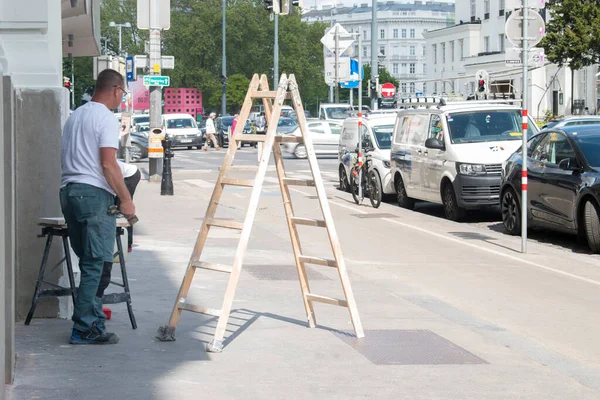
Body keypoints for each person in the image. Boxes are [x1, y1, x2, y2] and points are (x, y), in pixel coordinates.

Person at [60, 68, 135, 345]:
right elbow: (107, 163)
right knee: (96, 264)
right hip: (92, 196)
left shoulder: (76, 115)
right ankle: (85, 327)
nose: (122, 99)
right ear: (116, 89)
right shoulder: (105, 117)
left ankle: (91, 321)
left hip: (69, 192)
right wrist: (126, 199)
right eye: (123, 93)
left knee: (89, 261)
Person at [95, 160, 141, 330]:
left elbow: (110, 173)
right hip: (122, 174)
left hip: (130, 175)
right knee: (116, 210)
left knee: (121, 210)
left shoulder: (104, 164)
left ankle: (127, 242)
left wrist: (125, 199)